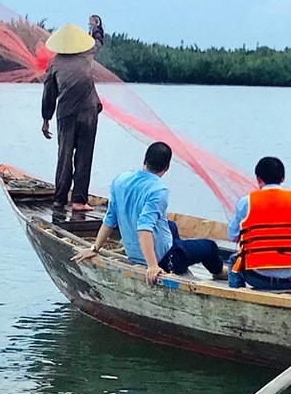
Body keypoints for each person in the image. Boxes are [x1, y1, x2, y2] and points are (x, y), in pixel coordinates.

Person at [75, 140, 228, 280]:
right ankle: (219, 272)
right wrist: (153, 266)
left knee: (171, 225)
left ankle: (180, 255)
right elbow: (144, 228)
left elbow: (110, 218)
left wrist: (95, 248)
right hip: (164, 259)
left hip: (133, 252)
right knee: (210, 247)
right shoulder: (158, 190)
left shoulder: (120, 180)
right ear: (166, 167)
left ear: (144, 160)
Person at [226, 156, 291, 291]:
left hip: (258, 279)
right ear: (282, 179)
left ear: (258, 179)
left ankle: (237, 296)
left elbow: (231, 235)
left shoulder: (246, 202)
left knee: (234, 260)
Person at [40, 23, 103, 212]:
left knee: (65, 156)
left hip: (66, 115)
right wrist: (98, 27)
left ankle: (59, 199)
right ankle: (78, 201)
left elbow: (49, 94)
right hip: (89, 113)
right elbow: (98, 42)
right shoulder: (88, 58)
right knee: (84, 156)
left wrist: (45, 119)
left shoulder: (54, 63)